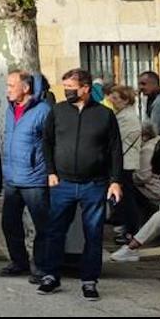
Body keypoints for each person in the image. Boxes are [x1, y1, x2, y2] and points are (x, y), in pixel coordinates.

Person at [37, 68, 123, 301]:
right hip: (62, 183)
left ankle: (89, 280)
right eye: (64, 88)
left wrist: (115, 181)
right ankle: (51, 276)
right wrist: (50, 172)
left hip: (94, 184)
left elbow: (115, 150)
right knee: (55, 231)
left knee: (93, 234)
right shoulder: (57, 112)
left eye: (71, 89)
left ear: (85, 88)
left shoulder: (105, 115)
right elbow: (47, 143)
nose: (67, 93)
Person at [0, 69, 51, 280]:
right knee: (9, 223)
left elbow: (50, 143)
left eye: (11, 86)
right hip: (12, 176)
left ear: (26, 88)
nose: (7, 90)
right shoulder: (11, 109)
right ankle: (18, 261)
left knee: (42, 224)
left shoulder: (43, 111)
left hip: (34, 178)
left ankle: (41, 266)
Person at [107, 85, 144, 239]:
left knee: (126, 198)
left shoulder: (126, 118)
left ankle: (130, 230)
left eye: (116, 98)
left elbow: (115, 139)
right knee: (124, 197)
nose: (112, 101)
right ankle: (127, 229)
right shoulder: (124, 115)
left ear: (126, 100)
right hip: (125, 161)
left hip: (125, 162)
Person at [137, 71, 160, 136]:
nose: (140, 88)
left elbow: (155, 129)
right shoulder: (151, 98)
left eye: (143, 84)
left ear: (154, 84)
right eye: (139, 85)